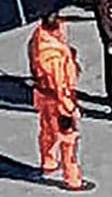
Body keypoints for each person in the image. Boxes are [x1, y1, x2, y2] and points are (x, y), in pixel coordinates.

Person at [29, 11, 92, 192]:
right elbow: (59, 84)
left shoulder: (39, 38)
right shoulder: (53, 56)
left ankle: (48, 162)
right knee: (68, 139)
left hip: (42, 97)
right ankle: (72, 179)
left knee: (47, 131)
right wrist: (71, 107)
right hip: (58, 101)